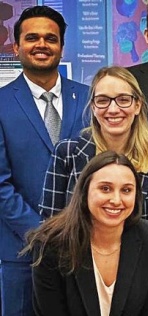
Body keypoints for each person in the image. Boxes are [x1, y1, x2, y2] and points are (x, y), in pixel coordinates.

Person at [0, 6, 89, 315]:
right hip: (22, 250)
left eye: (50, 38)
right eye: (32, 38)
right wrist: (42, 234)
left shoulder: (92, 99)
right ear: (16, 46)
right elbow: (1, 184)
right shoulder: (1, 104)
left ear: (62, 47)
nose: (42, 44)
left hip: (86, 248)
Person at [25, 151, 148, 316]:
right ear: (84, 191)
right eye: (105, 188)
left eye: (126, 190)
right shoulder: (51, 244)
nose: (116, 200)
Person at [40, 66, 148, 225]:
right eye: (103, 100)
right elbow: (49, 223)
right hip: (74, 249)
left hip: (136, 249)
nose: (113, 109)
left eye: (123, 100)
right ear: (93, 107)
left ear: (137, 106)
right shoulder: (67, 153)